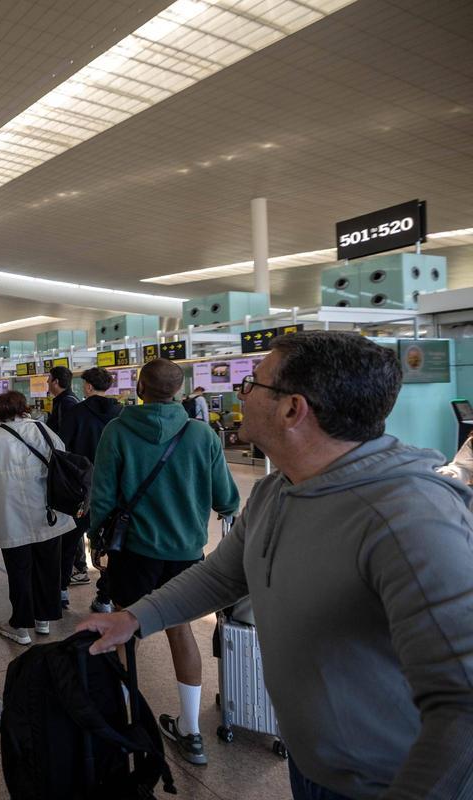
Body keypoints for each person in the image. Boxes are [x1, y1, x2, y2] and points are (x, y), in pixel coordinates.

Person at [79, 332, 473, 799]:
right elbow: (223, 574)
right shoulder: (278, 490)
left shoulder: (407, 519)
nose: (242, 394)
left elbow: (463, 703)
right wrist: (135, 617)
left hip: (380, 782)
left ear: (292, 409)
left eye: (252, 384)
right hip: (312, 763)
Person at [85, 357, 239, 766]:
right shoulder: (201, 434)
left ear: (139, 388)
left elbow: (101, 495)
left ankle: (122, 718)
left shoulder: (117, 431)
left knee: (122, 631)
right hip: (185, 553)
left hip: (132, 552)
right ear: (180, 389)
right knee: (179, 629)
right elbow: (227, 499)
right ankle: (190, 730)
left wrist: (96, 540)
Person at [0, 390, 73, 646]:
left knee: (19, 571)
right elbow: (62, 458)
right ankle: (44, 620)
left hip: (10, 518)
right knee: (48, 567)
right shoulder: (42, 430)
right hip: (47, 514)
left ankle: (20, 626)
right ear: (23, 408)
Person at [47, 367, 122, 610]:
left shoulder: (76, 413)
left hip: (81, 488)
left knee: (69, 538)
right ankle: (105, 597)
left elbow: (62, 447)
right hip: (112, 488)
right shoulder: (121, 413)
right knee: (111, 542)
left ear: (88, 386)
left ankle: (60, 591)